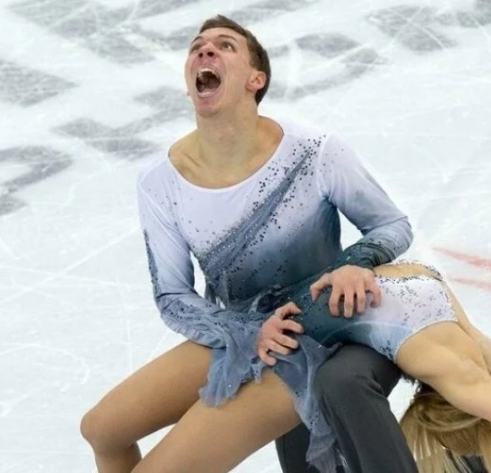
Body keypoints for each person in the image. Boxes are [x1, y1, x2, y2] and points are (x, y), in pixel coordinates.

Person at [80, 13, 418, 473]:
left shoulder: (313, 151)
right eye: (197, 46)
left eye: (225, 45)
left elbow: (391, 224)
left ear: (255, 80)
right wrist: (244, 330)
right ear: (190, 85)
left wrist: (356, 261)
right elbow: (172, 294)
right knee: (100, 429)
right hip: (240, 331)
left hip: (306, 334)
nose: (205, 49)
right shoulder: (160, 181)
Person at [253, 263, 491, 473]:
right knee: (319, 386)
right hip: (304, 316)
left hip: (397, 284)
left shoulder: (481, 367)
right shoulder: (465, 378)